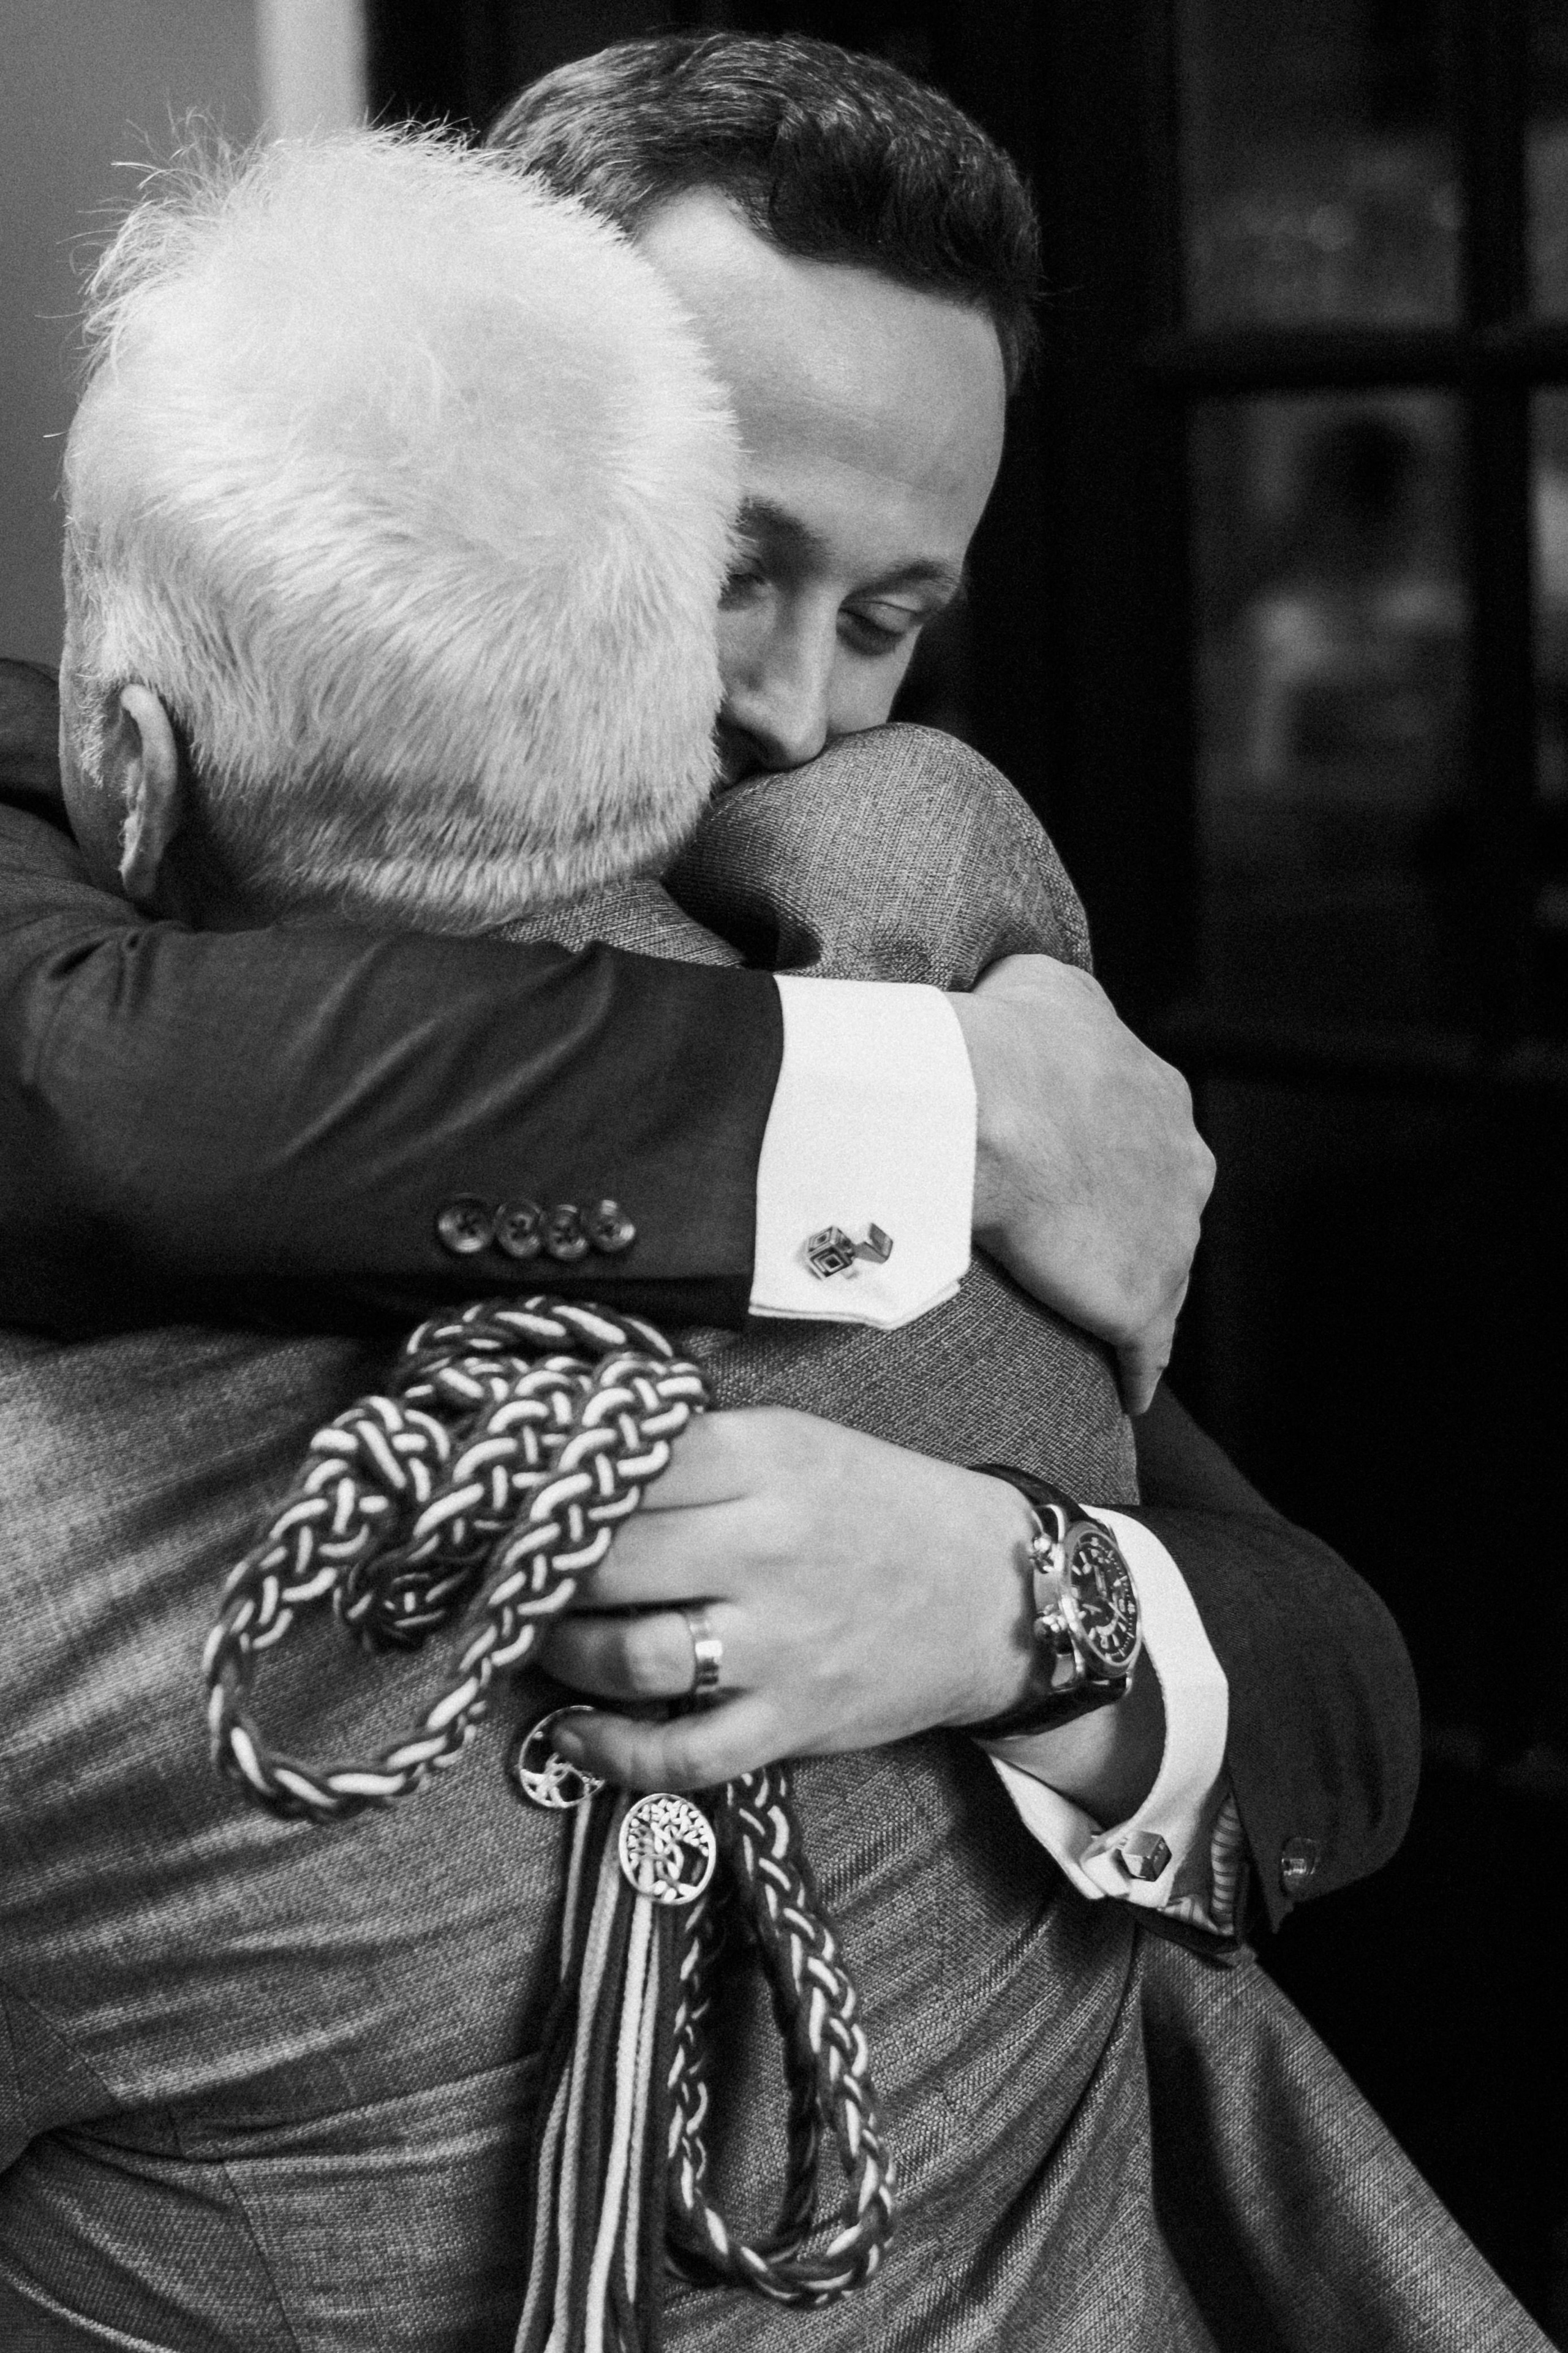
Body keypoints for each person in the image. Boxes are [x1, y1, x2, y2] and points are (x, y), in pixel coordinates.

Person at [4, 128, 1534, 2353]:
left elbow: (1331, 1683)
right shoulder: (915, 1026)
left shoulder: (894, 891)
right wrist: (938, 1111)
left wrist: (1015, 1595)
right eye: (729, 561)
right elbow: (104, 1094)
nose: (795, 710)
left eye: (895, 618)